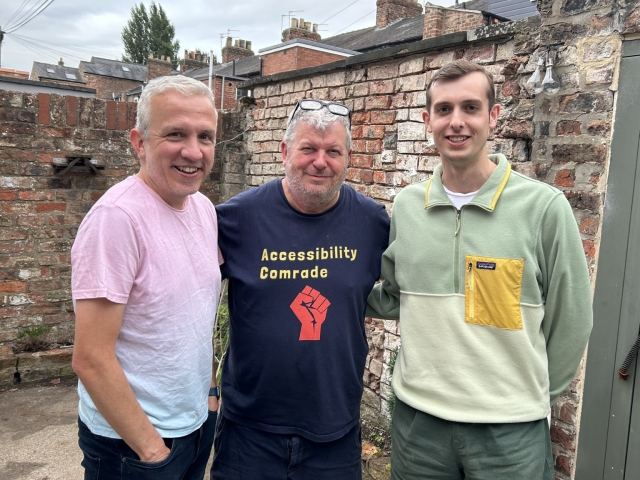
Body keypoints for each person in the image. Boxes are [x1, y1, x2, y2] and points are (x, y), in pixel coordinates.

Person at [367, 60, 593, 479]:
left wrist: (531, 397)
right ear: (427, 121)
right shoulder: (407, 207)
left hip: (509, 433)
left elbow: (572, 319)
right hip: (419, 426)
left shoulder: (543, 208)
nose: (457, 122)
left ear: (492, 116)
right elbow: (395, 296)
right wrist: (327, 278)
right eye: (444, 109)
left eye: (470, 108)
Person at [211, 99, 390, 479]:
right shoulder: (236, 219)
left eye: (333, 152)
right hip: (249, 429)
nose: (320, 161)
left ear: (348, 158)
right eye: (308, 148)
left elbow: (407, 291)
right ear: (284, 151)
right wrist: (206, 385)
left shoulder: (372, 224)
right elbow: (189, 305)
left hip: (334, 431)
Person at [71, 75, 222, 480]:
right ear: (139, 142)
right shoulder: (116, 220)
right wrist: (153, 452)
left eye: (205, 137)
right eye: (176, 133)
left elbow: (195, 315)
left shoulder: (203, 209)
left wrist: (209, 397)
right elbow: (90, 358)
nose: (193, 152)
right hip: (132, 446)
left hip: (193, 425)